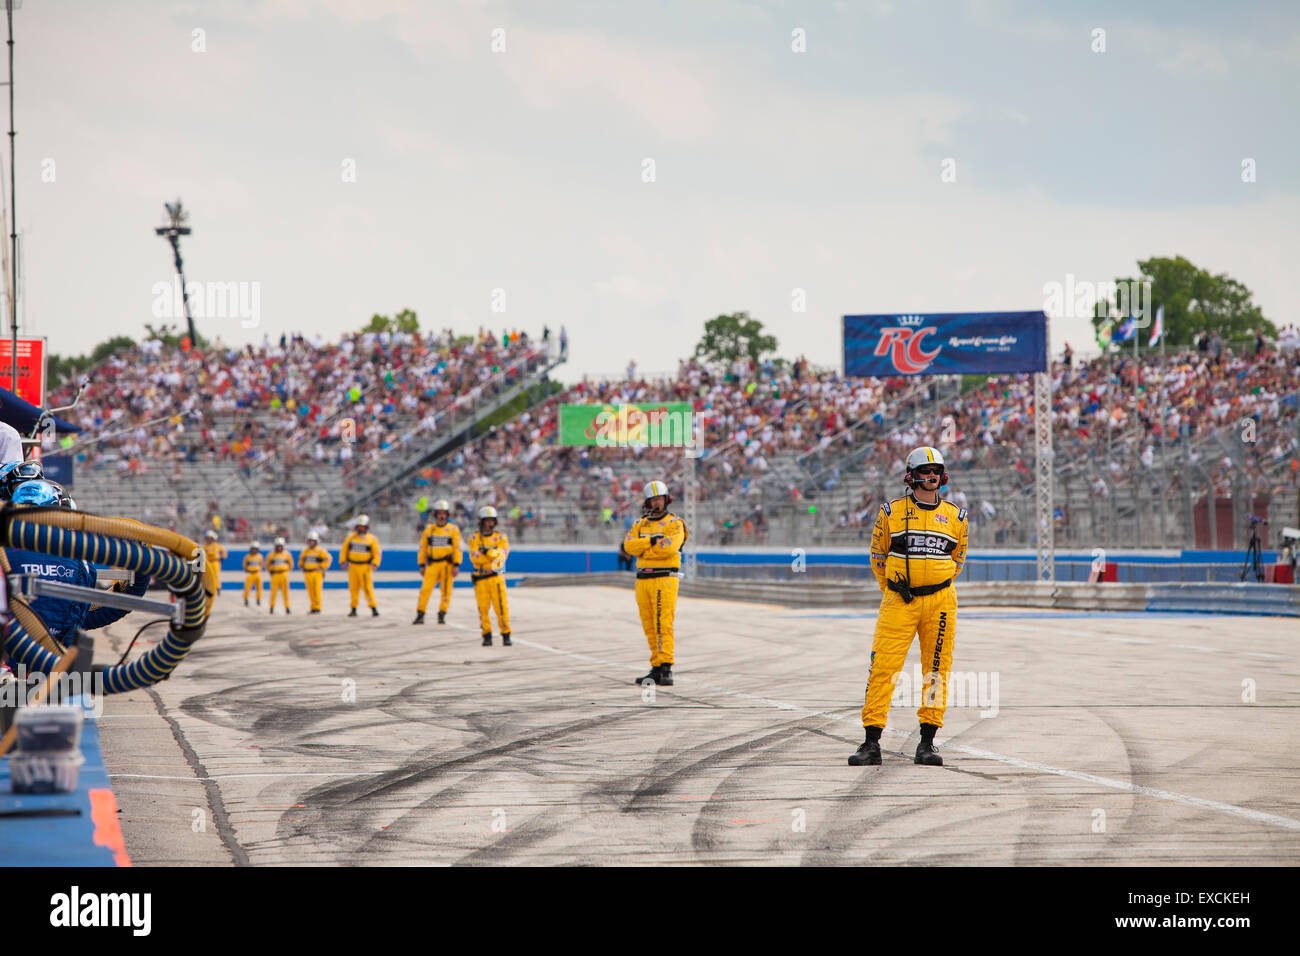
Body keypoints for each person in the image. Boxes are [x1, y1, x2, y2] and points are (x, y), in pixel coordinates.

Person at [849, 446, 969, 767]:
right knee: (883, 668)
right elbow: (877, 557)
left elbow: (958, 561)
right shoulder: (890, 512)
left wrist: (934, 586)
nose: (931, 476)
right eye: (925, 471)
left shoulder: (958, 517)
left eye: (936, 471)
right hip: (898, 600)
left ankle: (928, 743)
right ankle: (871, 742)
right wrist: (893, 587)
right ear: (911, 475)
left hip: (941, 602)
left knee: (937, 671)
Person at [622, 479, 687, 686]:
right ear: (647, 503)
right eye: (653, 500)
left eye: (659, 499)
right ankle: (656, 666)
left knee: (663, 623)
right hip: (643, 580)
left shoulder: (674, 523)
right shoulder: (640, 524)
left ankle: (666, 667)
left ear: (666, 500)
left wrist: (645, 551)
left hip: (664, 578)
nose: (656, 503)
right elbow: (629, 546)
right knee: (649, 625)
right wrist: (651, 542)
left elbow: (668, 548)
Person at [414, 498, 462, 625]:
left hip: (447, 564)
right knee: (425, 590)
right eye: (439, 513)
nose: (441, 516)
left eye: (444, 513)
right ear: (435, 515)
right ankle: (420, 614)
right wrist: (421, 564)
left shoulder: (453, 529)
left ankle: (442, 614)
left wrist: (456, 564)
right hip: (432, 564)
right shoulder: (429, 530)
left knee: (446, 592)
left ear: (447, 515)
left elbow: (457, 548)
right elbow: (423, 548)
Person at [467, 505, 511, 646]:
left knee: (501, 608)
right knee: (483, 608)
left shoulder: (501, 537)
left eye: (492, 521)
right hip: (480, 578)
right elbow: (475, 558)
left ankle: (506, 634)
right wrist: (492, 552)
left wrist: (486, 552)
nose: (489, 524)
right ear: (481, 521)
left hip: (496, 577)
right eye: (487, 521)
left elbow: (501, 556)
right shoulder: (474, 537)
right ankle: (487, 635)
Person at [341, 515, 381, 617]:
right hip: (353, 566)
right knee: (353, 588)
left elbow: (377, 553)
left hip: (365, 567)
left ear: (367, 527)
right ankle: (353, 608)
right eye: (359, 526)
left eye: (363, 526)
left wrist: (375, 563)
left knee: (367, 588)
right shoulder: (350, 538)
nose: (360, 528)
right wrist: (343, 561)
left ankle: (373, 608)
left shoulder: (371, 539)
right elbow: (344, 550)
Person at [298, 532, 332, 614]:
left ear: (316, 541)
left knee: (317, 590)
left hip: (317, 573)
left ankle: (318, 607)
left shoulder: (320, 551)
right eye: (309, 541)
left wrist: (322, 567)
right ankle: (313, 607)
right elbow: (301, 561)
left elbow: (327, 559)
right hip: (308, 573)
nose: (311, 542)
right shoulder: (305, 551)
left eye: (312, 541)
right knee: (310, 591)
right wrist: (301, 566)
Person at [266, 537, 294, 614]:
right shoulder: (271, 555)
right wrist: (271, 571)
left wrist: (286, 571)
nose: (279, 548)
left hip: (284, 574)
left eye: (280, 546)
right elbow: (267, 565)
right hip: (275, 575)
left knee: (285, 592)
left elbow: (291, 564)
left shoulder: (287, 554)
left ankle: (287, 607)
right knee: (273, 592)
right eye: (277, 546)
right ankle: (271, 607)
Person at [203, 531, 227, 597]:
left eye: (210, 538)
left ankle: (218, 587)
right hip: (208, 563)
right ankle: (210, 589)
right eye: (207, 538)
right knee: (208, 576)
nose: (208, 539)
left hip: (215, 562)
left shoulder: (216, 545)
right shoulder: (204, 546)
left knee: (215, 575)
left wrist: (222, 558)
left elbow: (223, 552)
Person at [243, 542, 265, 607]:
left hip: (257, 573)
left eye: (255, 549)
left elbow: (261, 564)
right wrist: (247, 569)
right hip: (250, 574)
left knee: (259, 588)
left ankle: (258, 599)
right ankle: (246, 598)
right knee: (247, 588)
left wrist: (258, 569)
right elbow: (245, 564)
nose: (254, 550)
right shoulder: (247, 557)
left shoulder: (259, 556)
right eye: (253, 549)